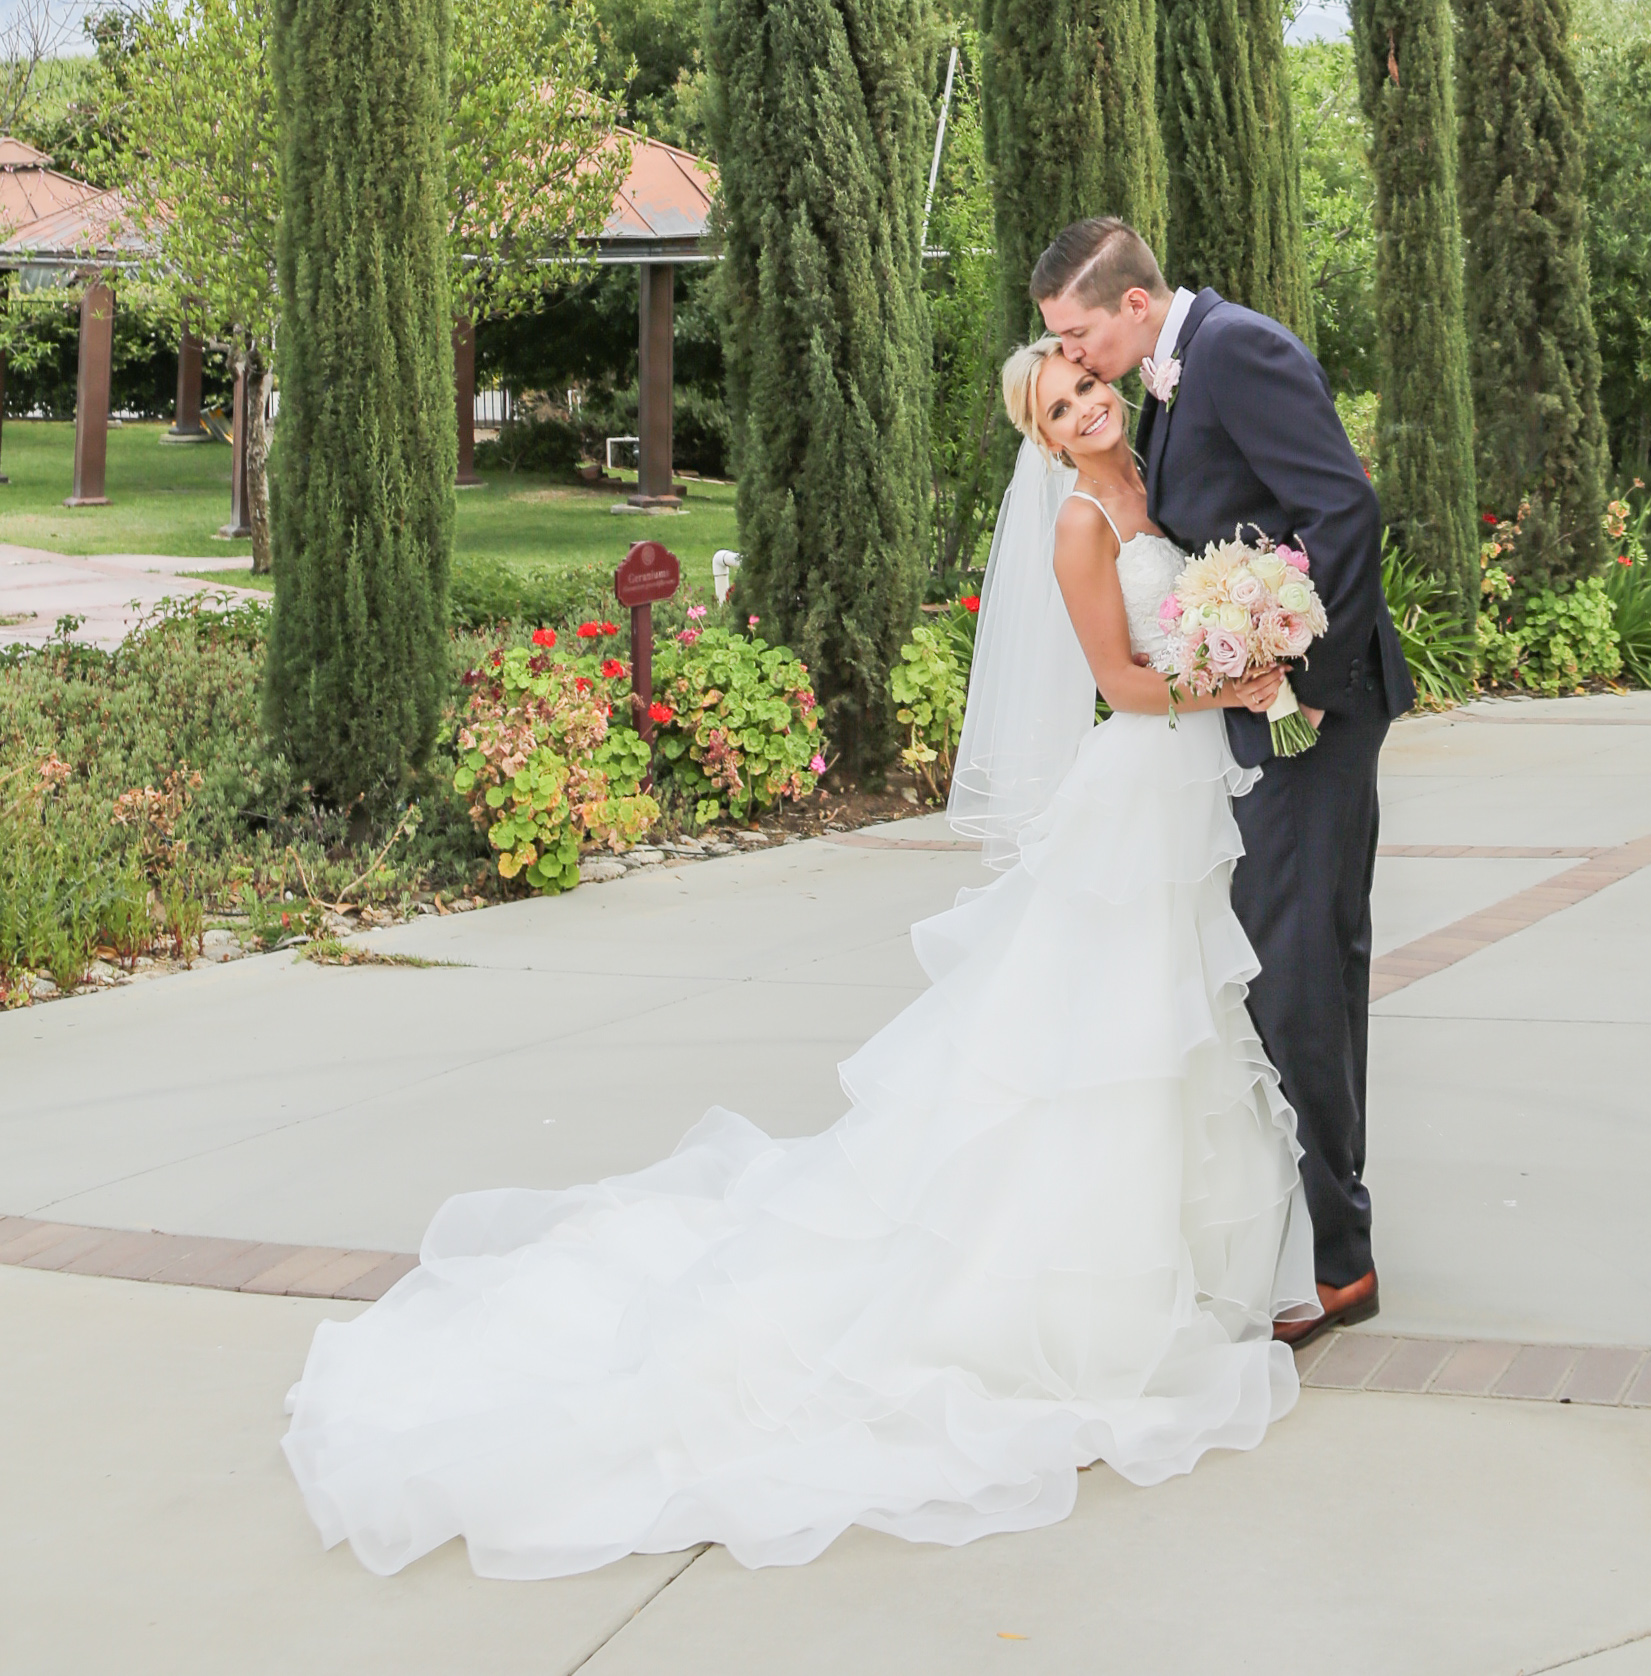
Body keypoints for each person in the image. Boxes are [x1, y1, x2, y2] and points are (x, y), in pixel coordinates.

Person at [280, 340, 1316, 1581]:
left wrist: (1239, 648)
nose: (1088, 405)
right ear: (1042, 441)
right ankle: (1083, 1289)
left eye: (1088, 385)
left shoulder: (1157, 480)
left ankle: (1185, 1262)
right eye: (1061, 405)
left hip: (1185, 791)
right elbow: (1118, 683)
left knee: (1176, 1023)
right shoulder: (1085, 526)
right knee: (1118, 1029)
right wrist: (1232, 676)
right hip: (1138, 795)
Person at [1032, 217, 1413, 1343]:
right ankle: (1314, 1237)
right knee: (1293, 969)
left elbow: (1340, 509)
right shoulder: (1164, 382)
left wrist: (1280, 662)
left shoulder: (1234, 349)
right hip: (1250, 718)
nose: (1075, 358)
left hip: (1309, 711)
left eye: (1077, 333)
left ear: (1135, 305)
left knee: (1299, 975)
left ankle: (1338, 1262)